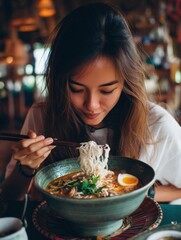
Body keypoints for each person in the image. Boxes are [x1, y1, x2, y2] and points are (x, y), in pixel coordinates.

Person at [0, 2, 181, 203]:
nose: (91, 105)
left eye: (107, 90)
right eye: (77, 89)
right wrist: (26, 167)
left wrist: (144, 192)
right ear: (61, 81)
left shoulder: (155, 124)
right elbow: (8, 198)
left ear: (125, 82)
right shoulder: (42, 115)